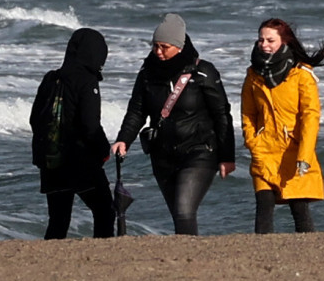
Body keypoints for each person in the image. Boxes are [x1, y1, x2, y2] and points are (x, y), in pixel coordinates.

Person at [111, 14, 234, 235]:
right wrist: (124, 139)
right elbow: (137, 111)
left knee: (184, 210)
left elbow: (222, 115)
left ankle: (190, 260)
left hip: (200, 152)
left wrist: (227, 157)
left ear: (178, 46)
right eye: (155, 46)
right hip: (163, 155)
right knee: (178, 215)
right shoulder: (147, 73)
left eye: (164, 47)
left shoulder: (203, 72)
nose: (158, 52)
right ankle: (186, 259)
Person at [241, 17, 324, 234]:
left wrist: (304, 155)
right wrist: (253, 141)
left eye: (270, 40)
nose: (264, 45)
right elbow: (248, 113)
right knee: (263, 204)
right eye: (261, 40)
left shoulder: (301, 74)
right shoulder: (253, 74)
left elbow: (310, 117)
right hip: (264, 149)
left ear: (284, 42)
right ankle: (261, 256)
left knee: (299, 207)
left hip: (293, 149)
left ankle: (309, 255)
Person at [30, 28, 117, 239]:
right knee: (105, 211)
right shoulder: (87, 81)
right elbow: (90, 126)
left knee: (58, 220)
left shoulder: (51, 78)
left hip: (51, 162)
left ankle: (47, 264)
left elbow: (35, 119)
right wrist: (104, 150)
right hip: (79, 162)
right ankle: (103, 259)